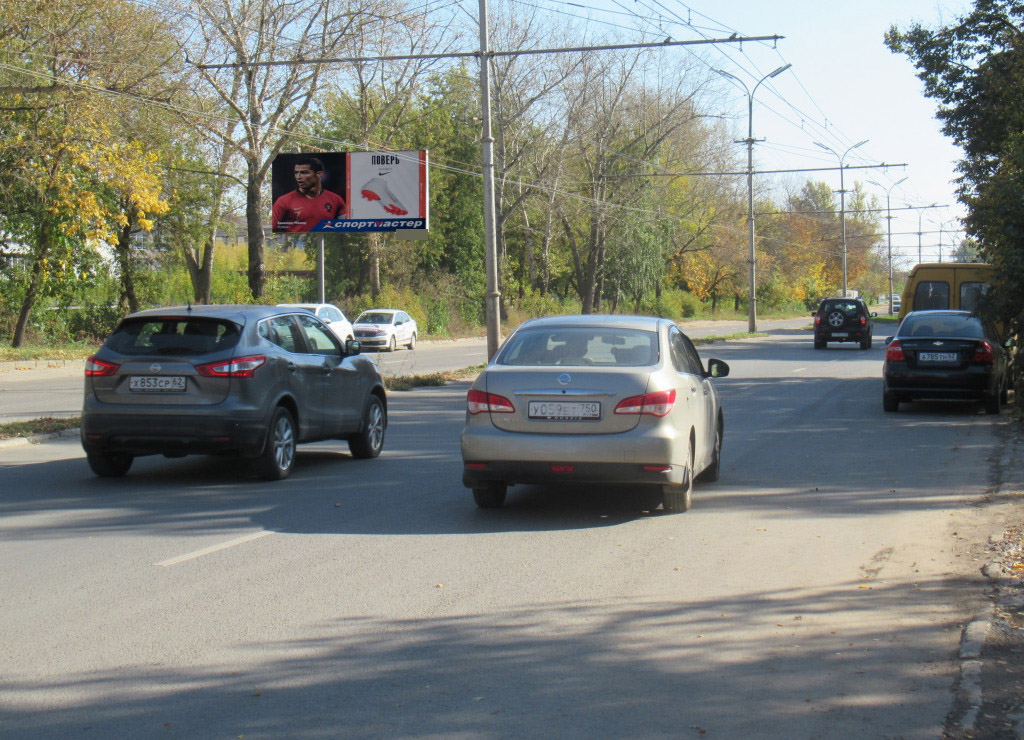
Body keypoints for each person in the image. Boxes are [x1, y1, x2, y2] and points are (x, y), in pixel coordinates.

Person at [272, 156, 347, 232]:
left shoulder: (336, 200)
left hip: (326, 242)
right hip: (296, 243)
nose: (298, 177)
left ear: (319, 174)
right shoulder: (283, 201)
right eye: (296, 173)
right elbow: (272, 228)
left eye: (304, 173)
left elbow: (344, 229)